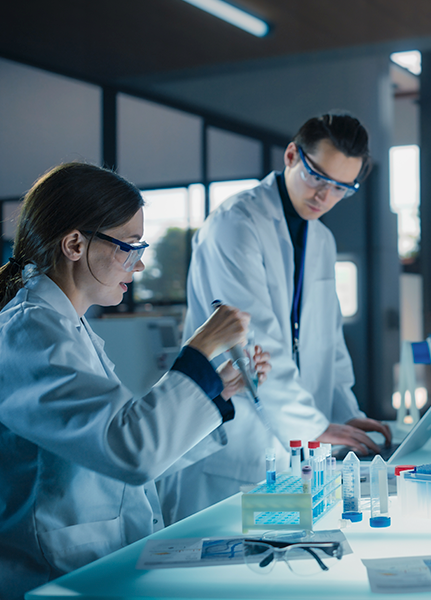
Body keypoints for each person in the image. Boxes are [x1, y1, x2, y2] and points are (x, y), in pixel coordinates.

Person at [0, 163, 270, 600]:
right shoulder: (29, 332)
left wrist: (212, 389)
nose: (140, 263)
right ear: (74, 244)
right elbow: (131, 450)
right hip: (52, 576)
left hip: (92, 566)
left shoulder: (69, 327)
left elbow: (129, 447)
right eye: (129, 246)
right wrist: (199, 349)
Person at [158, 111, 392, 524]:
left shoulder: (320, 236)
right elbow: (253, 339)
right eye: (317, 176)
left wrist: (342, 414)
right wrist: (314, 426)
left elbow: (328, 340)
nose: (324, 196)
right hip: (237, 440)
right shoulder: (236, 224)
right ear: (290, 156)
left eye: (341, 188)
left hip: (294, 445)